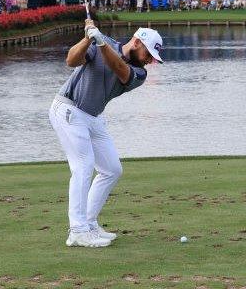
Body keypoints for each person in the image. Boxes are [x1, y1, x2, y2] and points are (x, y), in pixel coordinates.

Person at [49, 21, 164, 248]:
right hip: (69, 109)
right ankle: (78, 230)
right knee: (83, 166)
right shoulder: (102, 43)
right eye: (148, 54)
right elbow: (71, 60)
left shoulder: (139, 74)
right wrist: (87, 39)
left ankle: (89, 223)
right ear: (137, 42)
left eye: (152, 57)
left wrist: (100, 42)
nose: (150, 60)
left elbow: (120, 70)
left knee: (112, 169)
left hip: (93, 116)